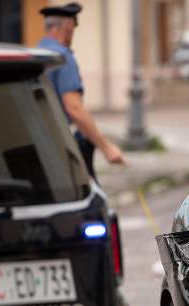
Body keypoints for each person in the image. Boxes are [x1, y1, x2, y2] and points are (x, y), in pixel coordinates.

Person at [37, 2, 124, 177]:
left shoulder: (37, 53)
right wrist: (107, 147)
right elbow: (74, 108)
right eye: (74, 25)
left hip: (37, 144)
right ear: (68, 25)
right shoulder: (62, 58)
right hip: (56, 145)